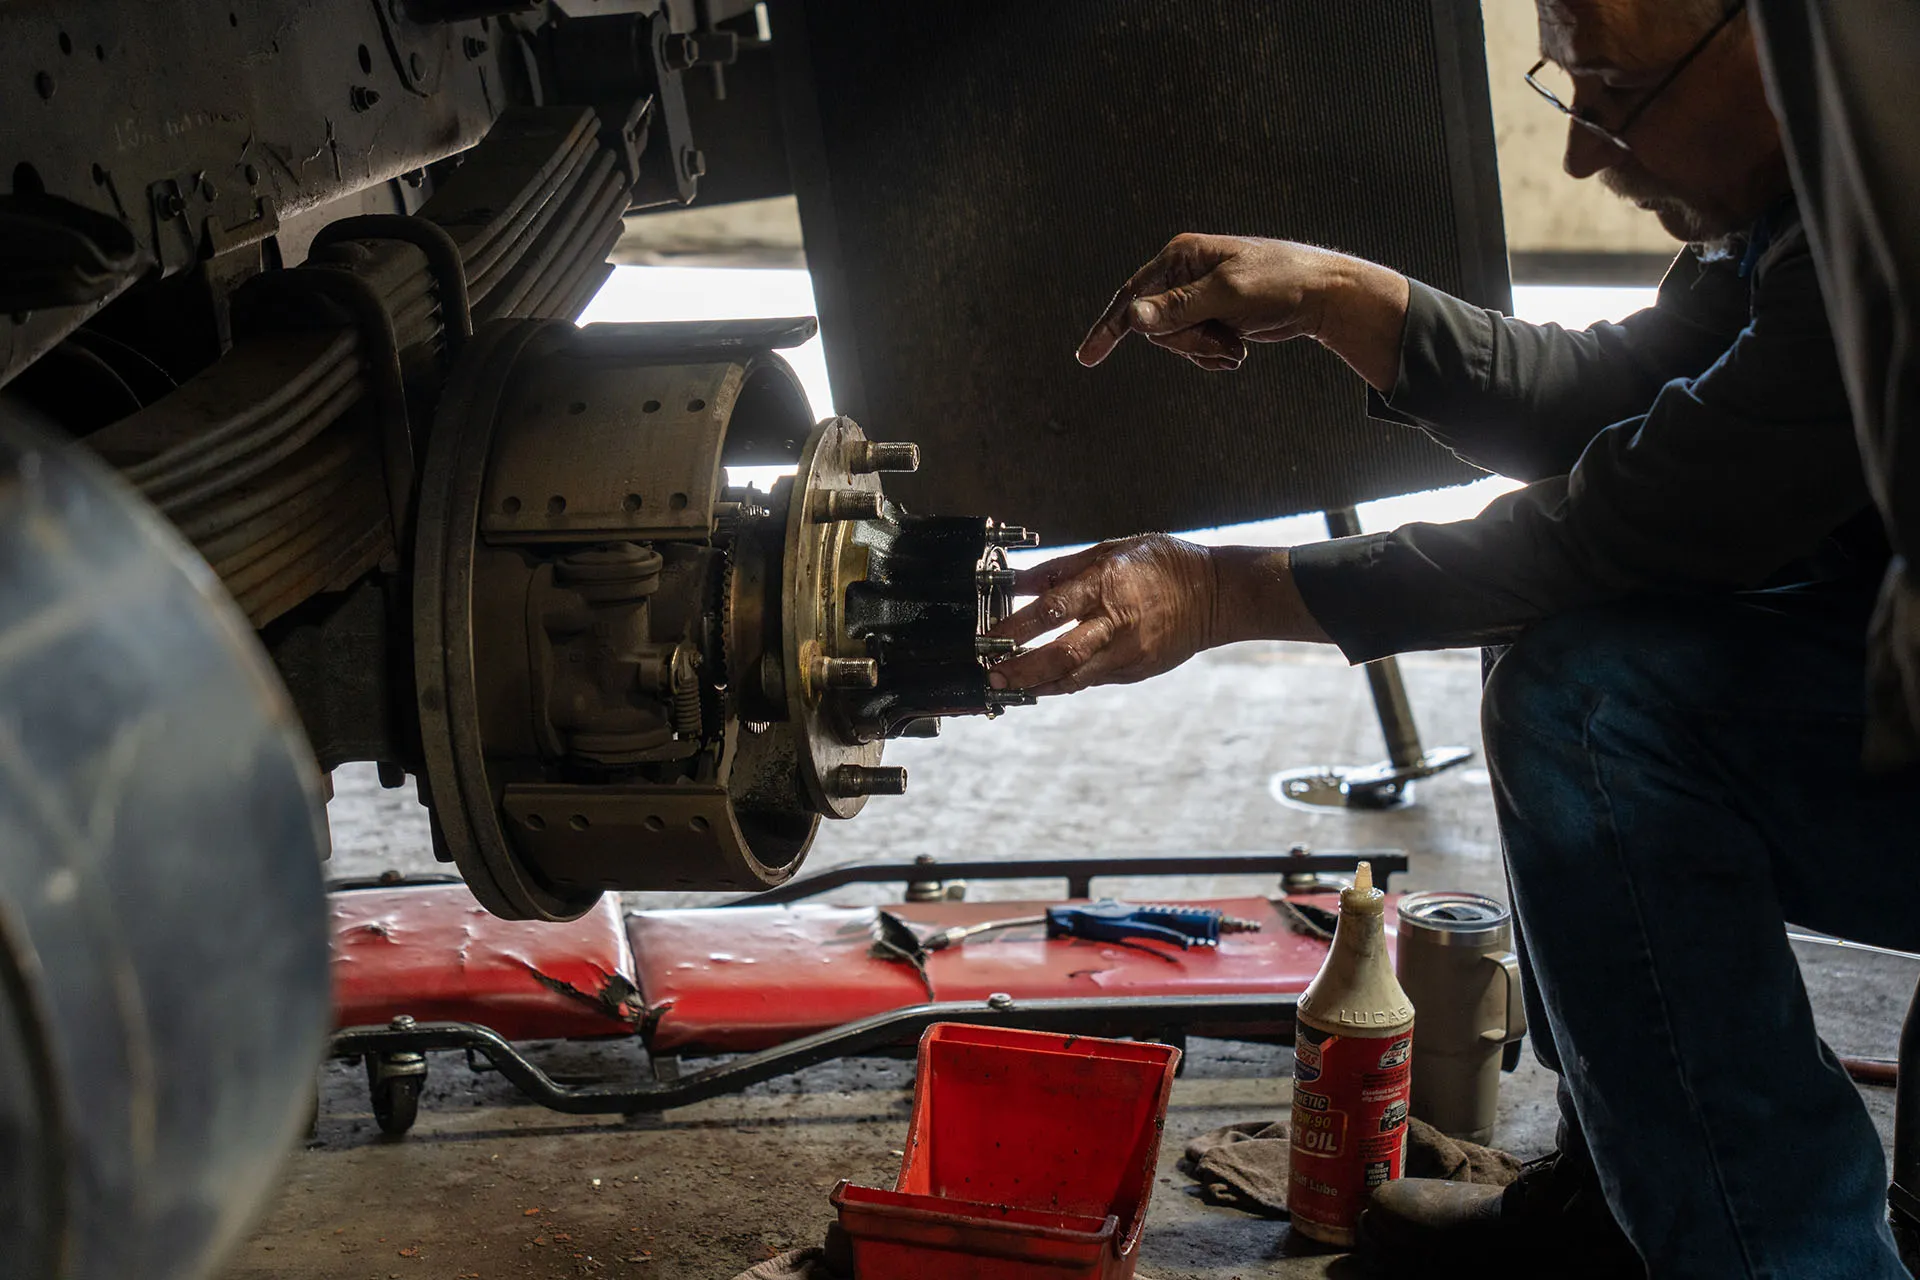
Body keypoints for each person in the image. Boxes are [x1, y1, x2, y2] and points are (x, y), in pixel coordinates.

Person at [984, 1, 1920, 1276]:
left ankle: (1778, 1257)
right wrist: (1338, 296)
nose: (1586, 151)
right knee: (1559, 641)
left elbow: (1616, 528)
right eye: (1566, 87)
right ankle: (1638, 1192)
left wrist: (1215, 592)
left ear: (1769, 35)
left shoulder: (1900, 204)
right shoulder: (1822, 160)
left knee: (1591, 705)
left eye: (1617, 95)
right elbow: (1616, 399)